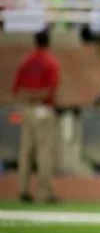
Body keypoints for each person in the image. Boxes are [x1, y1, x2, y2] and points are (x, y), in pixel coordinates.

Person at [12, 29, 60, 204]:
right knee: (44, 152)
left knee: (25, 152)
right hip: (43, 110)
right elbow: (50, 90)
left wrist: (29, 96)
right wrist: (37, 95)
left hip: (27, 109)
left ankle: (23, 190)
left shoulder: (26, 62)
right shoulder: (50, 62)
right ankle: (44, 193)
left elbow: (17, 89)